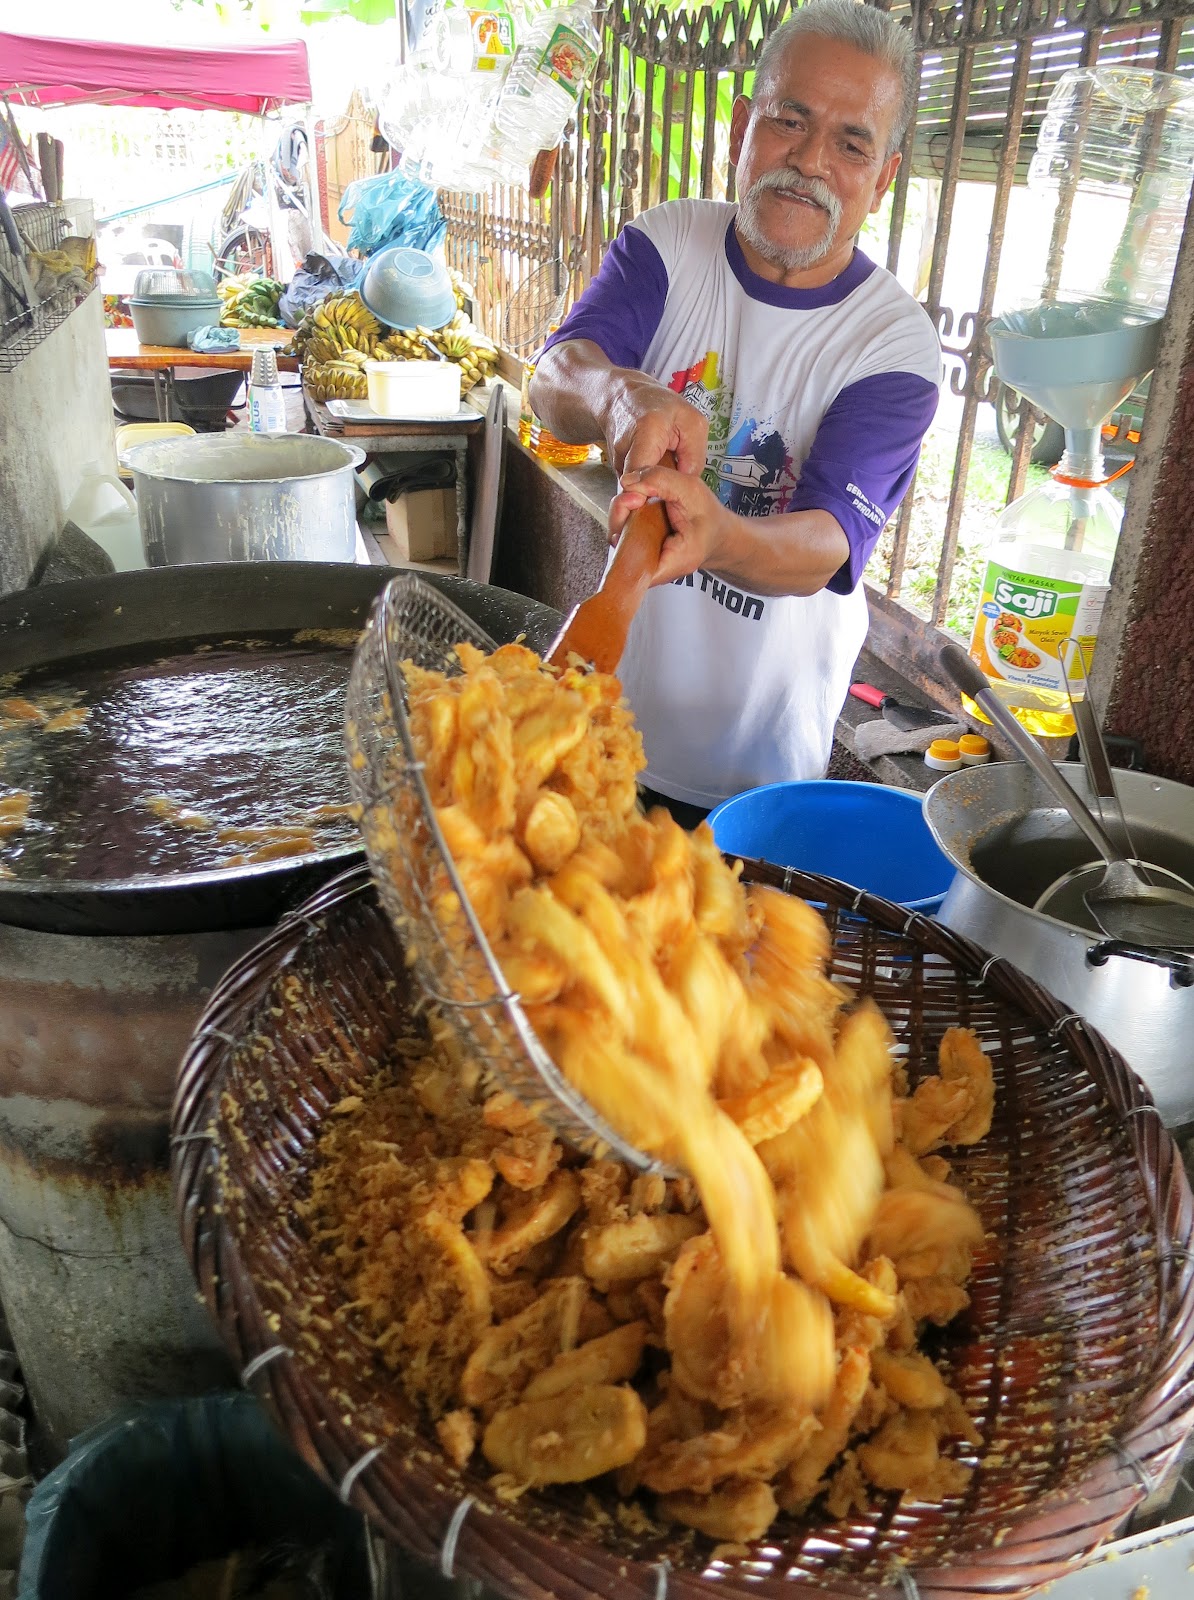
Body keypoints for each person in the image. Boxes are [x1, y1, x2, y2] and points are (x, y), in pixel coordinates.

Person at [529, 0, 940, 823]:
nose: (811, 161)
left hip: (760, 777)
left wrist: (719, 536)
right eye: (790, 120)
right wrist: (621, 395)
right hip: (610, 728)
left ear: (884, 177)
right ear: (742, 126)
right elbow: (554, 375)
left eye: (852, 143)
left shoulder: (895, 347)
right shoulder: (670, 243)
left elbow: (827, 544)